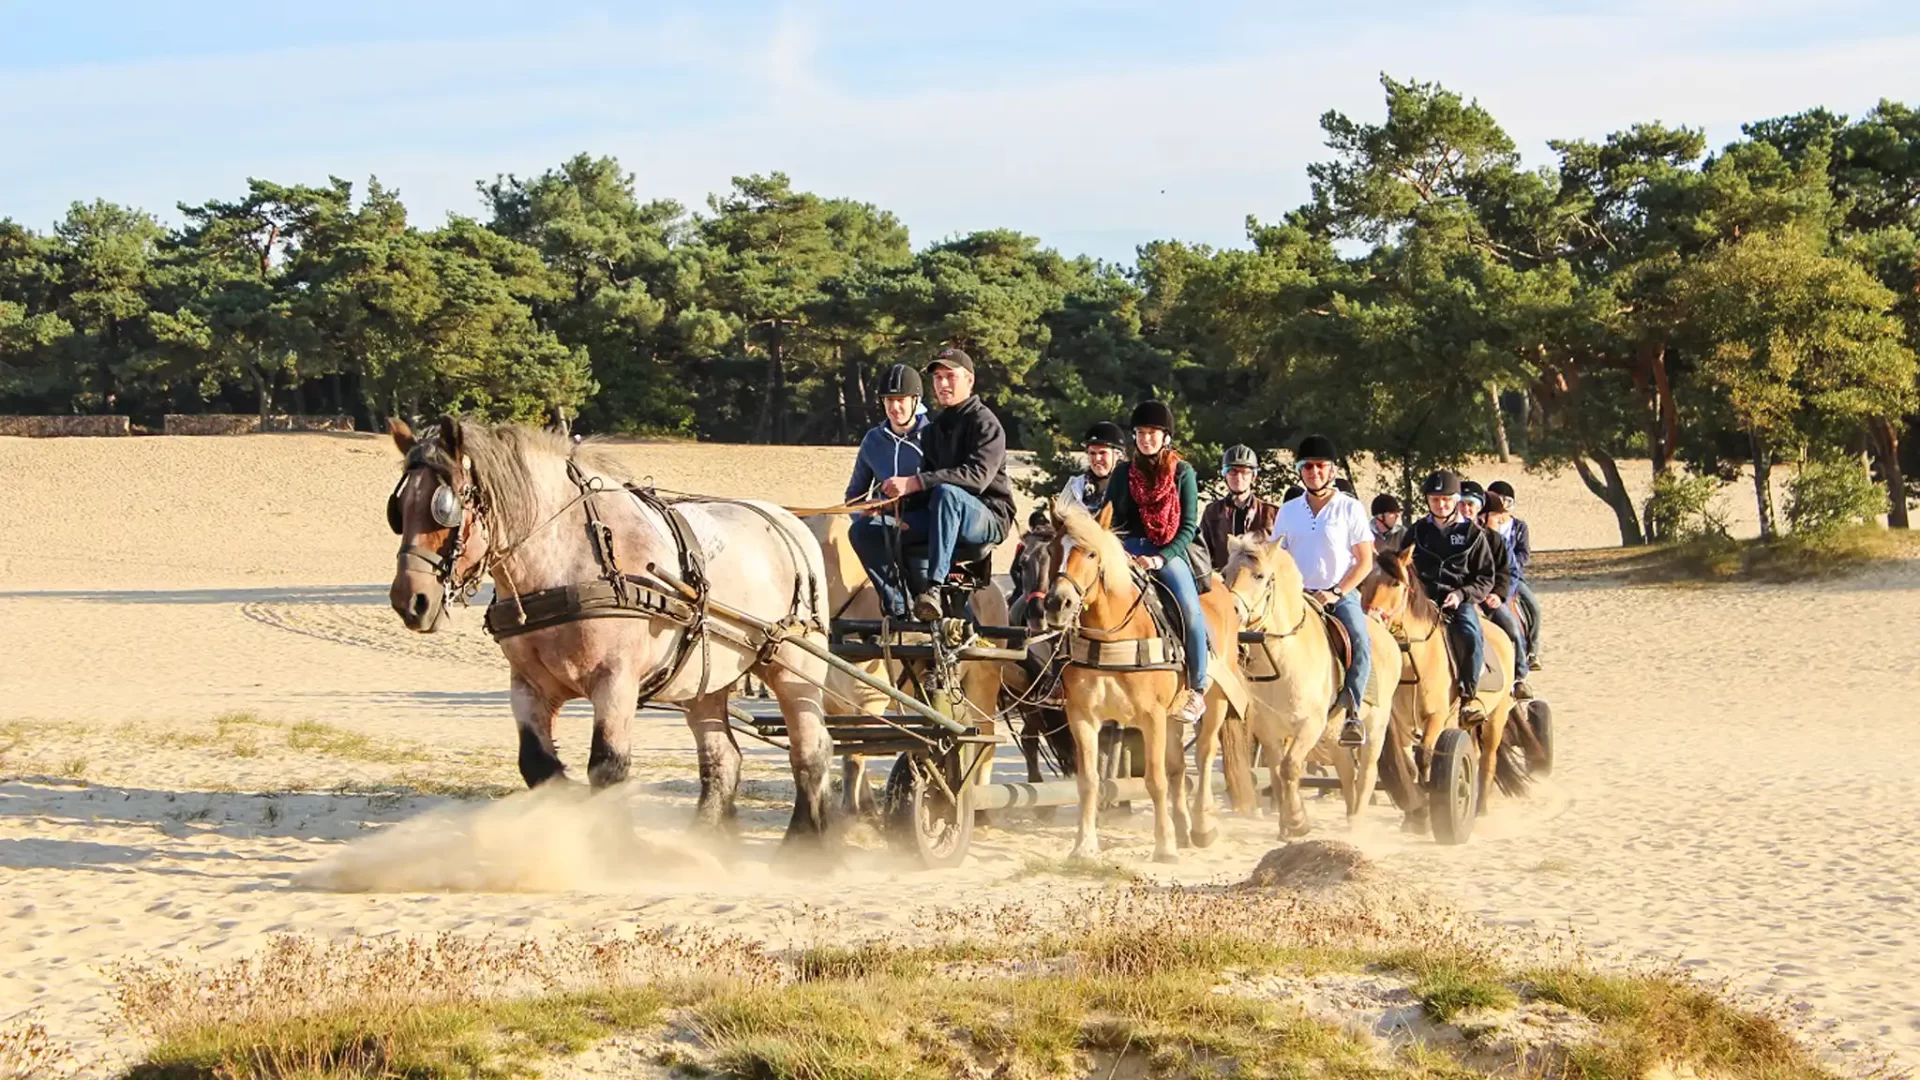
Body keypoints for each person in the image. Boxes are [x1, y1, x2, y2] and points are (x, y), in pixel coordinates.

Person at [849, 347, 1015, 620]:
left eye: (950, 376)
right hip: (942, 512)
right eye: (937, 378)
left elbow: (977, 478)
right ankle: (899, 608)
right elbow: (925, 491)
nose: (943, 383)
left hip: (987, 517)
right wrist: (891, 509)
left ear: (970, 381)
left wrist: (914, 482)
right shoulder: (935, 430)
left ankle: (934, 588)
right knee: (865, 531)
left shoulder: (986, 423)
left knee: (947, 493)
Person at [1102, 400, 1211, 725]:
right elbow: (1110, 520)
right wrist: (1120, 553)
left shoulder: (1183, 473)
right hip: (1125, 551)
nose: (1146, 438)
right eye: (1140, 433)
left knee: (1191, 613)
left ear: (1166, 437)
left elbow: (1189, 527)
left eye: (1153, 433)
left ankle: (1197, 689)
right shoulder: (1121, 473)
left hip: (1168, 551)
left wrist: (1159, 558)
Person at [1268, 435, 1375, 747]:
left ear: (1331, 470)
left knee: (1360, 643)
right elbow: (1278, 556)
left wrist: (1337, 592)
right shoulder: (1288, 511)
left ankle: (1352, 712)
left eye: (1320, 466)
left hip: (1338, 594)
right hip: (1298, 596)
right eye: (1308, 466)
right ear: (1300, 470)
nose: (1314, 471)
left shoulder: (1350, 508)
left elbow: (1365, 560)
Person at [1405, 470, 1499, 723]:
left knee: (1469, 633)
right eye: (1435, 499)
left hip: (1457, 601)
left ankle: (1469, 696)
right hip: (1419, 601)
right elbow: (1401, 566)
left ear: (1456, 499)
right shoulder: (1416, 532)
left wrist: (1461, 594)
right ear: (1427, 501)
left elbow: (1485, 577)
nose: (1441, 504)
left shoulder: (1473, 534)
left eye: (1446, 499)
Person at [1459, 482, 1530, 698]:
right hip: (1456, 595)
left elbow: (1504, 571)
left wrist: (1498, 595)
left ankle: (1519, 676)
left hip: (1485, 595)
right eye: (1461, 504)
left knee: (1511, 627)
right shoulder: (1444, 535)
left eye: (1470, 504)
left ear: (1479, 508)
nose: (1465, 509)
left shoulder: (1493, 539)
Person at [843, 363, 927, 504]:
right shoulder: (873, 439)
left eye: (901, 400)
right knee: (860, 527)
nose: (894, 407)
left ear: (916, 400)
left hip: (922, 519)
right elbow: (854, 496)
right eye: (889, 400)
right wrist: (863, 512)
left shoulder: (933, 437)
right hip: (882, 519)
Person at [1485, 480, 1540, 670]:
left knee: (1533, 606)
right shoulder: (1481, 530)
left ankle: (1531, 650)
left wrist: (1511, 563)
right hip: (1487, 580)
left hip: (1513, 576)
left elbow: (1524, 553)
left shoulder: (1518, 527)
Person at [1200, 444, 1279, 572]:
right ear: (1224, 475)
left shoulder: (1271, 513)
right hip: (1223, 582)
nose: (1238, 477)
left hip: (1256, 585)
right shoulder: (1212, 512)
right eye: (1233, 471)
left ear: (1253, 476)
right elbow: (1202, 553)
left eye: (1245, 472)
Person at [1063, 421, 1126, 514]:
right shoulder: (1074, 486)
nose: (1097, 458)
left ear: (1117, 455)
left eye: (1102, 453)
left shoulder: (1131, 487)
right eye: (1092, 453)